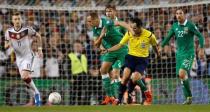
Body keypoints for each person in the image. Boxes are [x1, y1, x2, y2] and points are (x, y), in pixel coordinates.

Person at [102, 17, 160, 105]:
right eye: (132, 28)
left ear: (140, 27)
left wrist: (158, 55)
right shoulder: (129, 33)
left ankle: (146, 91)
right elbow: (120, 45)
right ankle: (119, 99)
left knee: (135, 78)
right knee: (124, 78)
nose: (133, 30)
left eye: (135, 28)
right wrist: (108, 50)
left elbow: (155, 46)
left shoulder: (149, 35)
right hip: (130, 58)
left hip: (142, 60)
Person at [161, 8, 205, 105]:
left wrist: (201, 49)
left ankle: (189, 96)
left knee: (182, 73)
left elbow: (200, 36)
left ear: (184, 15)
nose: (178, 15)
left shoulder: (190, 25)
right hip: (179, 55)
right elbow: (168, 37)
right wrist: (161, 46)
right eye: (176, 14)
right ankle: (188, 98)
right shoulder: (175, 26)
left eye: (180, 13)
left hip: (189, 54)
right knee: (182, 77)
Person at [86, 12, 128, 105]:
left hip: (121, 49)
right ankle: (111, 97)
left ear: (96, 19)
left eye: (90, 21)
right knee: (103, 70)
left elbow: (121, 23)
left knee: (115, 75)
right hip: (109, 51)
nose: (88, 23)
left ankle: (120, 99)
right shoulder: (95, 28)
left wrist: (130, 29)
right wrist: (101, 42)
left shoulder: (107, 23)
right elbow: (96, 43)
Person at [4, 12, 42, 106]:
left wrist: (40, 50)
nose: (17, 21)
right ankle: (36, 93)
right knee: (25, 78)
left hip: (28, 56)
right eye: (15, 19)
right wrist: (9, 43)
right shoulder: (8, 32)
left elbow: (38, 36)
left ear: (21, 20)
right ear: (12, 21)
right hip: (19, 59)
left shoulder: (27, 29)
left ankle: (37, 94)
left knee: (25, 76)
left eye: (19, 19)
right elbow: (5, 46)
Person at [67, 40, 88, 105]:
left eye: (79, 46)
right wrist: (70, 77)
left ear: (81, 47)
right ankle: (71, 106)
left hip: (83, 77)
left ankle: (79, 107)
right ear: (73, 47)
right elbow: (68, 68)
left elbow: (86, 66)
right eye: (76, 46)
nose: (78, 47)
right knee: (73, 93)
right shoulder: (70, 56)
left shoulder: (84, 56)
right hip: (75, 77)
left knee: (81, 93)